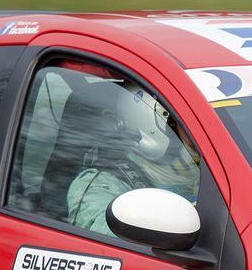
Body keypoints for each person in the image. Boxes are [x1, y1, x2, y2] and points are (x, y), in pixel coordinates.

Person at [64, 82, 201, 232]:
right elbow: (106, 239)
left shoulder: (213, 171)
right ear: (154, 126)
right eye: (190, 123)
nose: (202, 133)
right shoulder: (100, 186)